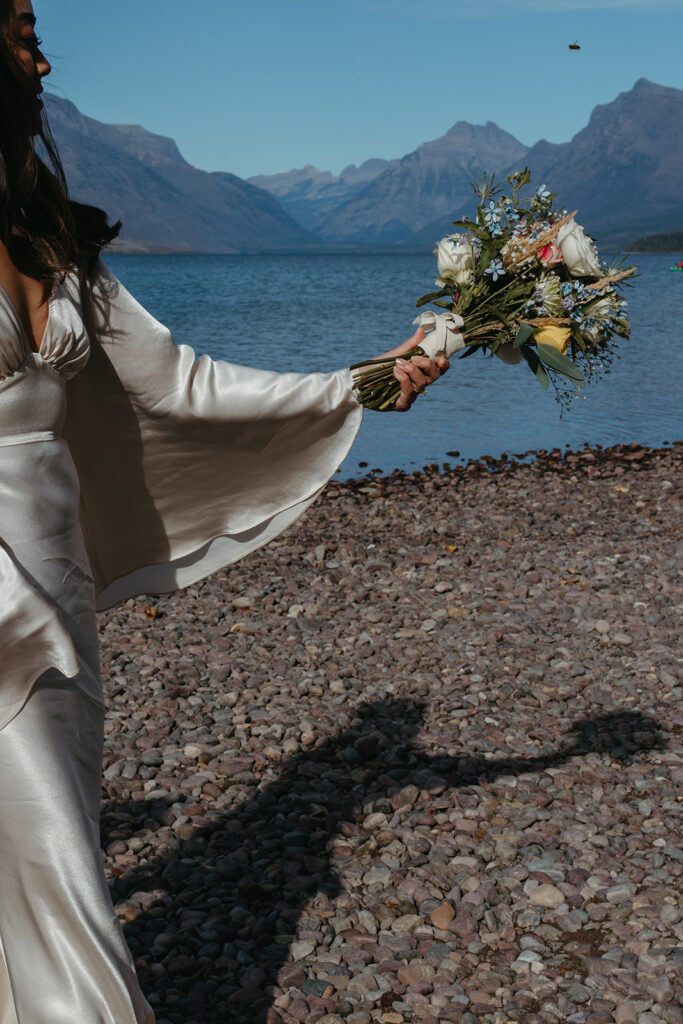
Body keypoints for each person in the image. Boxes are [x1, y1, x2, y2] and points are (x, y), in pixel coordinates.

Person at [0, 2, 449, 1021]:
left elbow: (185, 386)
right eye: (23, 28)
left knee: (33, 868)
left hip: (54, 579)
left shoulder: (42, 229)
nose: (44, 54)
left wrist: (357, 384)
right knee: (61, 882)